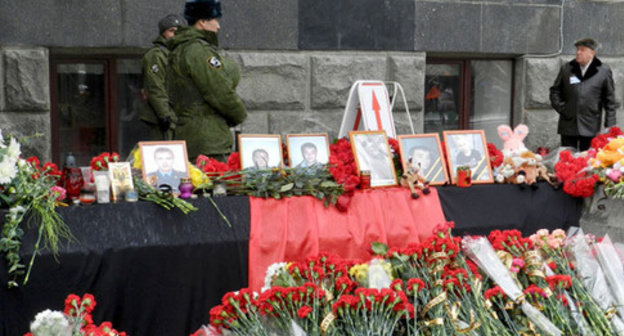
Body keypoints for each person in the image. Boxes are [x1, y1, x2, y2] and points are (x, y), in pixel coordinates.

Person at [167, 0, 247, 162]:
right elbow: (218, 90)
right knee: (215, 184)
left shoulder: (179, 50)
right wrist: (239, 114)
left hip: (188, 134)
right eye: (215, 20)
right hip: (209, 140)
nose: (218, 26)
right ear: (202, 22)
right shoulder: (199, 51)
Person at [549, 38, 618, 151]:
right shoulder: (567, 68)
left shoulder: (603, 71)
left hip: (590, 124)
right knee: (567, 159)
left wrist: (609, 124)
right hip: (568, 124)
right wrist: (563, 109)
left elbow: (609, 100)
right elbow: (555, 91)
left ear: (592, 53)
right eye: (577, 50)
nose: (578, 52)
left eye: (582, 50)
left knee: (587, 160)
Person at [139, 14, 185, 140]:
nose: (176, 35)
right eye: (172, 31)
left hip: (179, 118)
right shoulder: (157, 55)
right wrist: (165, 115)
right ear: (163, 33)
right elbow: (155, 87)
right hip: (162, 119)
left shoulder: (179, 54)